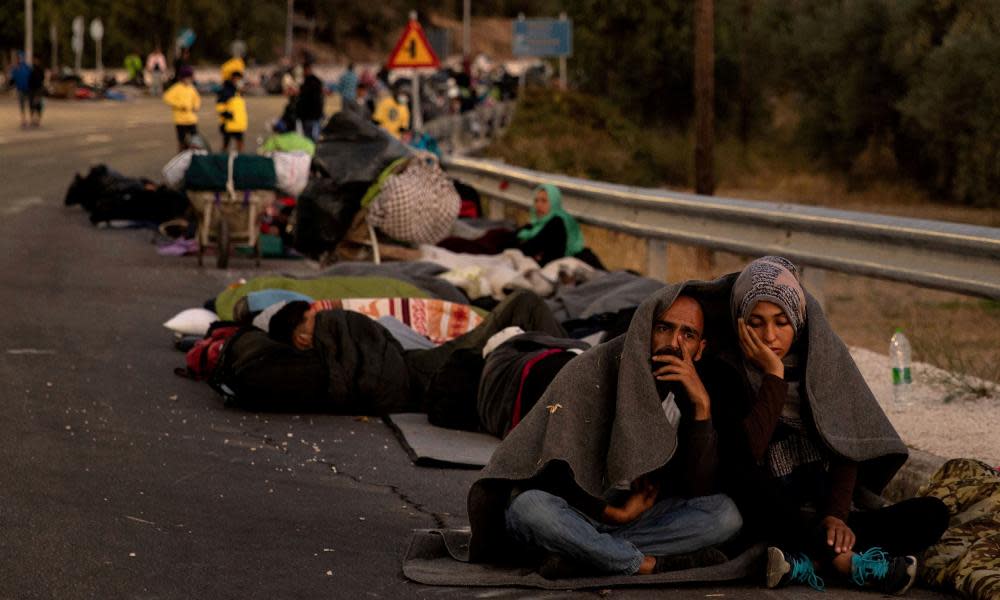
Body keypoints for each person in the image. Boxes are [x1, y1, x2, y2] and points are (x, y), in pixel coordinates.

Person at [467, 285, 744, 578]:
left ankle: (584, 556)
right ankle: (644, 564)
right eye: (664, 328)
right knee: (529, 508)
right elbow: (550, 471)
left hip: (637, 522)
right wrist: (613, 513)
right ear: (644, 331)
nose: (674, 342)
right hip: (577, 511)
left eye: (688, 334)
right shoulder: (593, 370)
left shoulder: (698, 392)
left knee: (725, 515)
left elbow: (698, 487)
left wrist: (701, 407)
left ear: (700, 349)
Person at [722, 256, 949, 595]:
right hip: (768, 514)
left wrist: (836, 517)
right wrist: (773, 376)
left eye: (781, 322)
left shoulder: (823, 362)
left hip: (818, 513)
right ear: (739, 322)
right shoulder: (727, 371)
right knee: (746, 484)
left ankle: (807, 560)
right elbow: (748, 454)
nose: (770, 336)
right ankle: (844, 563)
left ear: (798, 320)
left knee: (931, 514)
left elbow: (846, 443)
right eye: (756, 323)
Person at [163, 66, 201, 152]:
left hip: (191, 119)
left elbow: (197, 98)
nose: (189, 80)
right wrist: (179, 105)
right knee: (182, 141)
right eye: (188, 78)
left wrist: (196, 106)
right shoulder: (176, 88)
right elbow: (166, 98)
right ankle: (181, 156)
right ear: (182, 78)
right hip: (180, 120)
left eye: (190, 78)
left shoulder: (191, 88)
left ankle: (194, 157)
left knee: (195, 140)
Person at [216, 71, 248, 152]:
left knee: (240, 144)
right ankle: (223, 160)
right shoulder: (226, 91)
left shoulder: (239, 92)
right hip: (229, 124)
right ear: (233, 79)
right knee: (226, 144)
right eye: (238, 79)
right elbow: (220, 106)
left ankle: (239, 160)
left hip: (239, 124)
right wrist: (227, 115)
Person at [296, 62, 325, 142]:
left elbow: (306, 100)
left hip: (311, 116)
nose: (303, 73)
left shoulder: (309, 83)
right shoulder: (315, 82)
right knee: (311, 138)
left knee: (311, 138)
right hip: (312, 115)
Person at [10, 52, 32, 128]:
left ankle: (29, 119)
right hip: (21, 89)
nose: (19, 60)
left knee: (29, 104)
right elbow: (12, 79)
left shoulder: (26, 67)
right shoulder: (16, 68)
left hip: (28, 89)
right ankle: (24, 120)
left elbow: (31, 77)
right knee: (22, 105)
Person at [27, 55, 46, 128]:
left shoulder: (40, 69)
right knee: (31, 105)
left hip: (38, 90)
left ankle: (38, 120)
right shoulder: (31, 69)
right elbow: (29, 79)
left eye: (36, 60)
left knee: (38, 105)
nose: (35, 61)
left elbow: (42, 79)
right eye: (34, 60)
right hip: (32, 90)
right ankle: (32, 119)